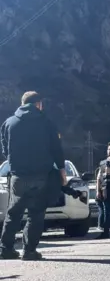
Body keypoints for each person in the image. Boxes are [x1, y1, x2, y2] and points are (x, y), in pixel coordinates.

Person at [0, 91, 66, 260]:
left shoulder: (9, 123)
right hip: (41, 175)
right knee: (35, 213)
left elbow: (5, 151)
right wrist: (61, 170)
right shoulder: (46, 123)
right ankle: (29, 251)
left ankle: (5, 248)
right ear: (38, 104)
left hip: (18, 176)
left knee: (13, 213)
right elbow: (56, 149)